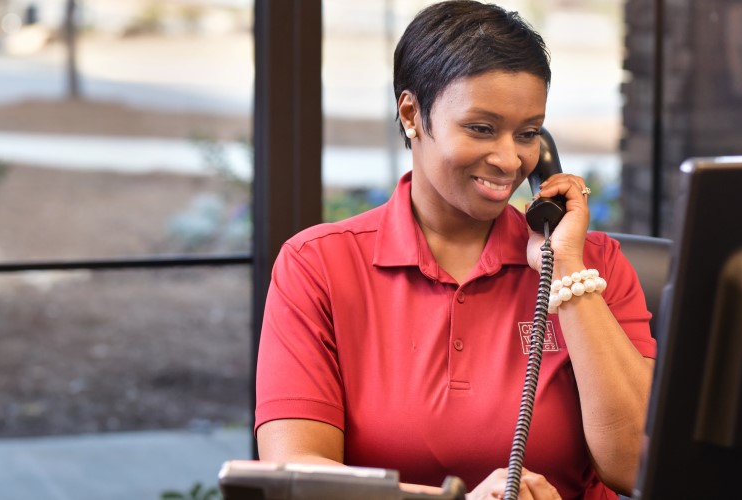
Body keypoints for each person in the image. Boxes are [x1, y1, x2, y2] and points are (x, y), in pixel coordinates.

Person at [253, 2, 656, 499]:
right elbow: (295, 474)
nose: (510, 160)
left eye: (528, 133)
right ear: (411, 115)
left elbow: (639, 465)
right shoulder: (318, 266)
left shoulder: (593, 265)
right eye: (481, 128)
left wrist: (566, 274)